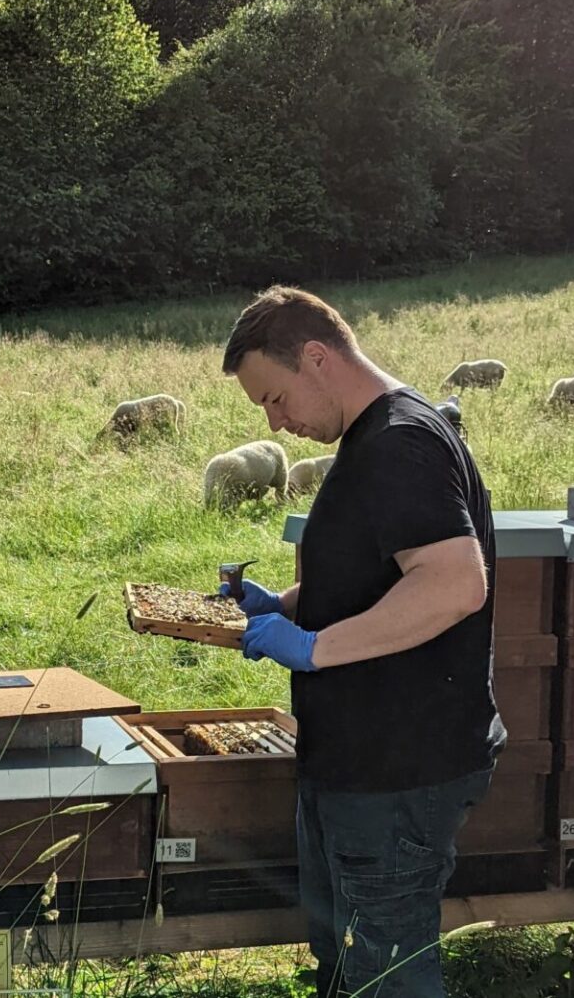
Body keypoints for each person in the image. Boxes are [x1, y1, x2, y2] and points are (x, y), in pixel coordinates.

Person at [218, 285, 503, 998]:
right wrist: (281, 606)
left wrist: (312, 648)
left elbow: (454, 584)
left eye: (275, 399)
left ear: (316, 357)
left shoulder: (399, 442)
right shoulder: (374, 438)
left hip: (397, 772)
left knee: (390, 978)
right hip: (360, 765)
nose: (276, 424)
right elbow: (378, 580)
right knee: (350, 971)